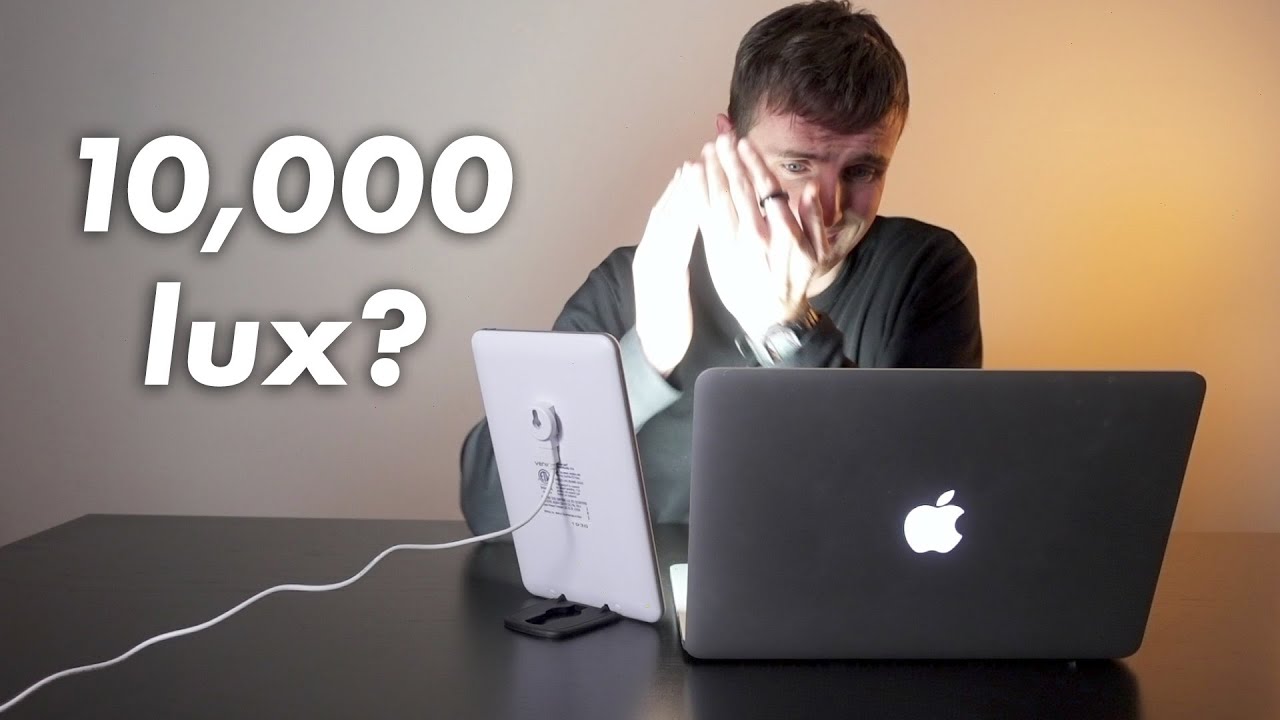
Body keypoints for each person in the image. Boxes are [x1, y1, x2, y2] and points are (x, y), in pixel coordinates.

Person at [459, 0, 982, 534]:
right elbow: (492, 508)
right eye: (796, 164)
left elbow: (931, 498)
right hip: (662, 588)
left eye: (862, 171)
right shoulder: (636, 281)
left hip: (848, 586)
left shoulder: (923, 272)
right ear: (730, 143)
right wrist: (647, 354)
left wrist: (788, 329)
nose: (827, 207)